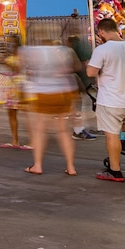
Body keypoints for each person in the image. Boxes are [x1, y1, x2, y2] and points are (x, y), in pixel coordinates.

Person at [19, 32, 79, 176]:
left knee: (40, 130)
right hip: (65, 92)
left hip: (44, 92)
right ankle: (71, 167)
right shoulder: (65, 51)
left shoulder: (34, 51)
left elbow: (20, 63)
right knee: (64, 131)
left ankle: (38, 165)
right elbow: (77, 66)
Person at [87, 18, 125, 181]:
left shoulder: (102, 50)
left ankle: (115, 171)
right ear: (116, 29)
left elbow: (90, 73)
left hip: (111, 101)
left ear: (101, 31)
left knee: (112, 135)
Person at [0, 34, 32, 150]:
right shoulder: (13, 55)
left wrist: (6, 63)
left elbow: (18, 68)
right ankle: (15, 140)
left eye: (11, 42)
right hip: (11, 86)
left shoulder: (22, 55)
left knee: (27, 114)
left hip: (20, 86)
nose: (9, 44)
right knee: (11, 113)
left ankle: (33, 141)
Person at [66, 34, 97, 140]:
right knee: (80, 105)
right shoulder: (80, 46)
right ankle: (78, 130)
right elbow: (86, 63)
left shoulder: (74, 47)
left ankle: (78, 129)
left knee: (79, 105)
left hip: (79, 81)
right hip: (83, 81)